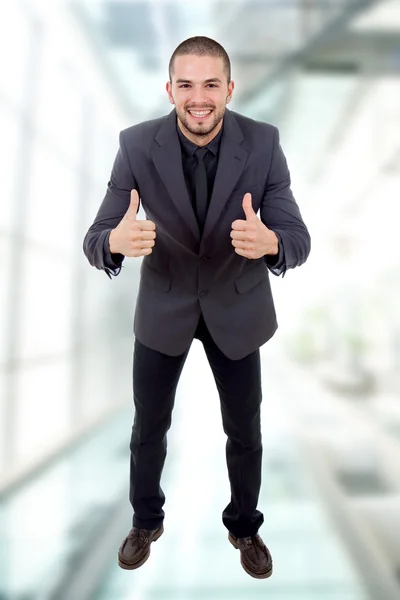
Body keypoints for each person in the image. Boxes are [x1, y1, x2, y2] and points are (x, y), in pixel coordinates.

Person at [83, 36, 311, 579]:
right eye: (186, 85)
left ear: (230, 89)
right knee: (148, 427)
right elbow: (96, 238)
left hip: (237, 307)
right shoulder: (136, 146)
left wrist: (271, 243)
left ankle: (245, 526)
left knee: (245, 430)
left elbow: (298, 237)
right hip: (165, 307)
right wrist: (116, 243)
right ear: (169, 90)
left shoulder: (263, 143)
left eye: (211, 84)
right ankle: (145, 520)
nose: (199, 97)